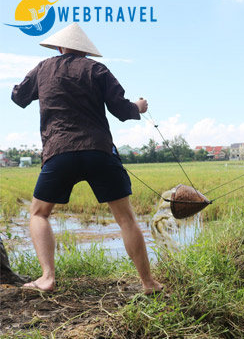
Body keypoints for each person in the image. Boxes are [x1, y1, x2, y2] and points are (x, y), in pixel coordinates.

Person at [10, 23, 162, 294]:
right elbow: (121, 110)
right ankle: (149, 283)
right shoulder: (97, 69)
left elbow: (18, 97)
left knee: (38, 213)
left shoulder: (43, 68)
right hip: (99, 151)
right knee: (126, 219)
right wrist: (138, 107)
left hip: (59, 151)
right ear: (85, 51)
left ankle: (47, 278)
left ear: (59, 47)